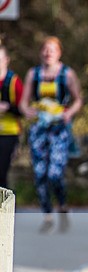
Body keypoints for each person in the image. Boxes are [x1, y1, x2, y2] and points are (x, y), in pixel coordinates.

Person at [19, 36, 83, 233]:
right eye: (45, 50)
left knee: (54, 173)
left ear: (59, 53)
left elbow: (78, 99)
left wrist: (69, 113)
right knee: (39, 174)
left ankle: (62, 206)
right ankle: (47, 215)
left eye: (52, 50)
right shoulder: (34, 74)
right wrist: (27, 110)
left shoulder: (67, 74)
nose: (48, 53)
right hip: (39, 129)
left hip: (58, 130)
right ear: (41, 52)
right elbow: (23, 101)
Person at [0, 45, 23, 190]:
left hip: (9, 132)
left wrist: (8, 107)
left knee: (1, 173)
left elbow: (23, 109)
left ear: (6, 60)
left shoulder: (14, 82)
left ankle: (4, 210)